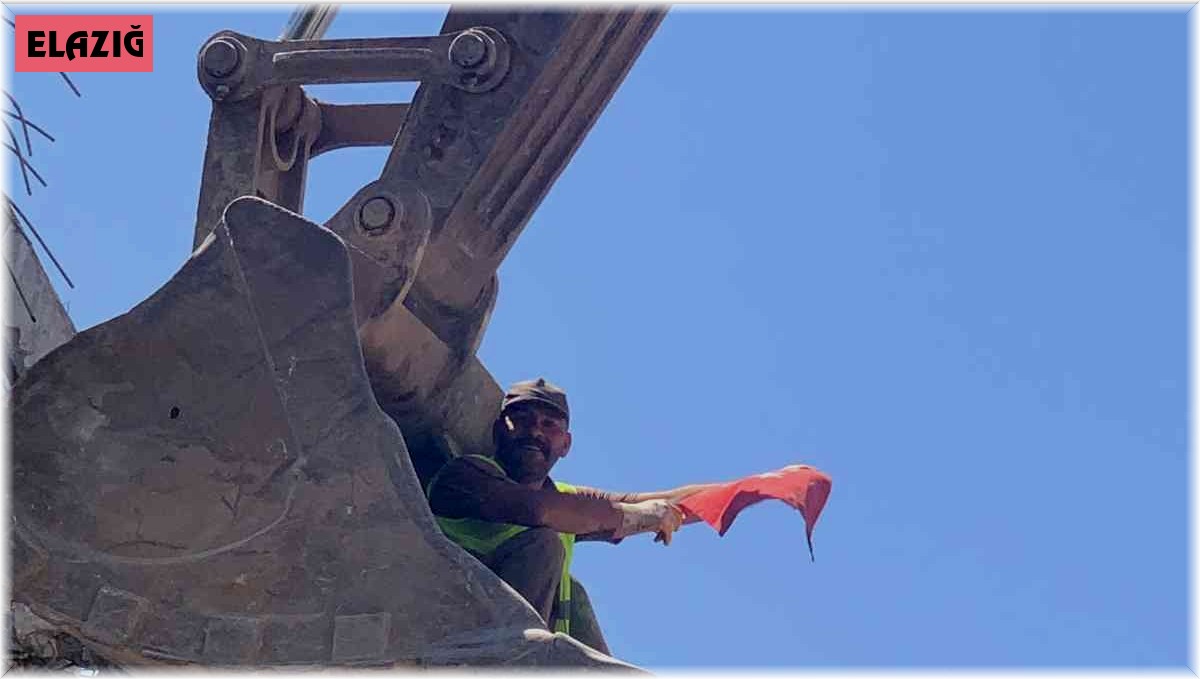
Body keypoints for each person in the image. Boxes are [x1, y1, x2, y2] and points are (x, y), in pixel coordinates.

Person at [425, 377, 712, 655]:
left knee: (573, 593)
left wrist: (736, 493)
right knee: (543, 545)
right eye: (522, 420)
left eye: (549, 425)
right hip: (448, 629)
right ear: (499, 430)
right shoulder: (466, 476)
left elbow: (657, 502)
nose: (535, 432)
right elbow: (538, 510)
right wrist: (634, 516)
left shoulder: (566, 498)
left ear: (565, 444)